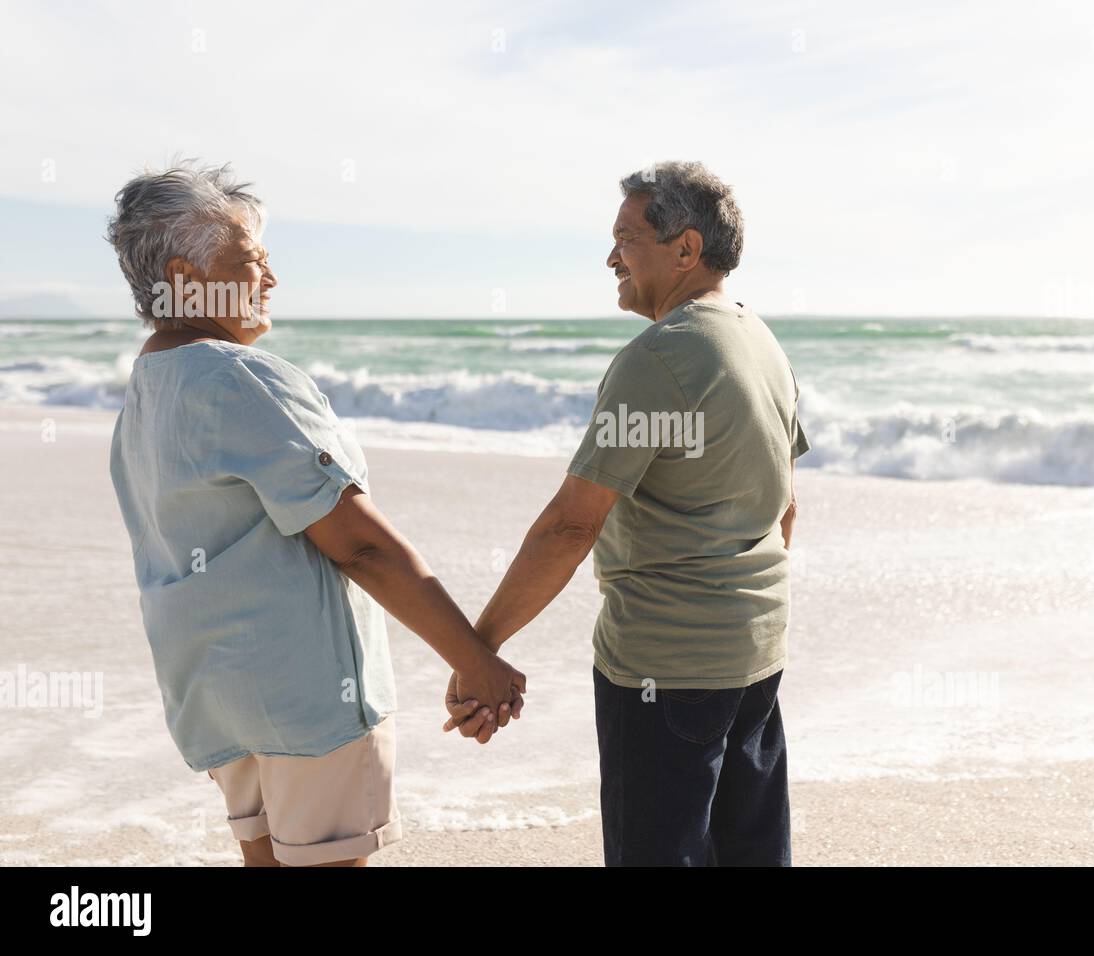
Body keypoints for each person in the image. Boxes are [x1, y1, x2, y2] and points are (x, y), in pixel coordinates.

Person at [107, 160, 524, 867]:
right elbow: (360, 545)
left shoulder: (146, 390)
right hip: (302, 699)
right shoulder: (239, 377)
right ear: (183, 276)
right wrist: (474, 660)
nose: (270, 279)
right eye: (251, 261)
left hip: (215, 693)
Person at [443, 161, 809, 866]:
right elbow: (786, 509)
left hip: (664, 672)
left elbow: (571, 526)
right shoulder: (762, 343)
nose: (611, 256)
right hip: (757, 656)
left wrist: (477, 648)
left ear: (686, 249)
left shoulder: (662, 358)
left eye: (626, 238)